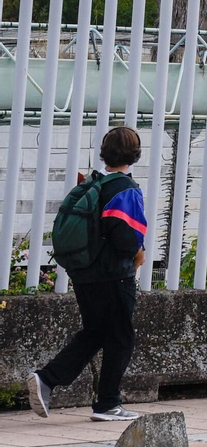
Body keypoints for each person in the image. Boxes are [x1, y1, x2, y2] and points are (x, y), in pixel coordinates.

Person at [26, 126, 147, 422]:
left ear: (104, 153)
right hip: (113, 276)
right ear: (135, 155)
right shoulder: (125, 188)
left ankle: (47, 379)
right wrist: (138, 251)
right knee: (121, 337)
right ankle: (107, 403)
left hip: (84, 274)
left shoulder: (92, 183)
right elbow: (125, 239)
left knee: (96, 332)